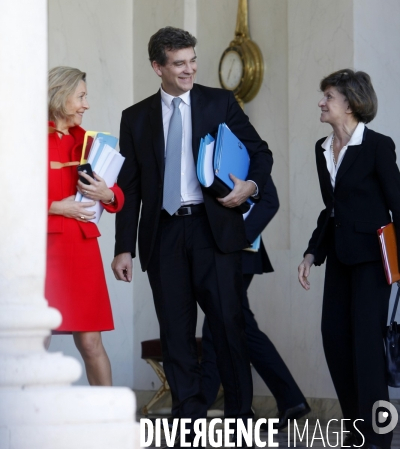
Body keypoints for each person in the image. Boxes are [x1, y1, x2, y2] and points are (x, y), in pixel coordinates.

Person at [112, 26, 272, 443]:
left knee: (227, 326)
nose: (189, 69)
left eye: (192, 60)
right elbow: (127, 188)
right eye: (179, 63)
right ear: (157, 67)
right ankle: (189, 422)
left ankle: (239, 417)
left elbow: (260, 152)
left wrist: (250, 187)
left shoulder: (219, 102)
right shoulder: (136, 117)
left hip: (212, 229)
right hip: (163, 234)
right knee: (176, 333)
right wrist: (123, 249)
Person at [298, 69, 399, 449]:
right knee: (334, 339)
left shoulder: (378, 146)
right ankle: (358, 429)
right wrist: (312, 252)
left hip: (374, 261)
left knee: (368, 348)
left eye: (328, 96)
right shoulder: (322, 149)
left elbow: (397, 206)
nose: (322, 103)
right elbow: (332, 210)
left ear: (351, 104)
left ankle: (377, 438)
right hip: (340, 257)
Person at [201, 176, 310, 429]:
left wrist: (238, 237)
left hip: (237, 254)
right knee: (239, 326)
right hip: (221, 255)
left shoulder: (243, 145)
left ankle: (197, 408)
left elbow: (270, 201)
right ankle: (290, 399)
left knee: (217, 328)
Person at [46, 66, 124, 386]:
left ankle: (108, 423)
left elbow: (115, 192)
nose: (85, 105)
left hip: (82, 249)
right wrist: (53, 207)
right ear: (61, 96)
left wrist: (108, 193)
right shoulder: (24, 140)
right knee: (34, 342)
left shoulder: (91, 143)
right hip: (44, 251)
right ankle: (24, 426)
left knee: (91, 343)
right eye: (81, 97)